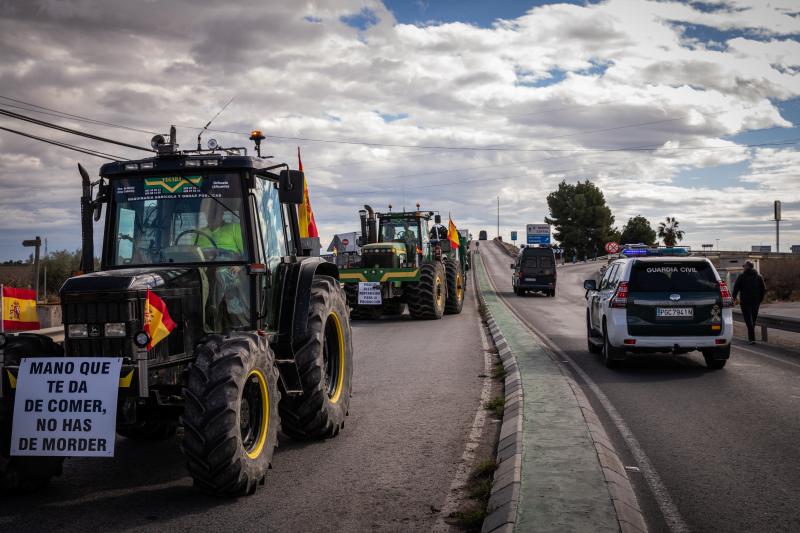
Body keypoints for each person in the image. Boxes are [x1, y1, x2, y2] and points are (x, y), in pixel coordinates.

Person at [732, 261, 767, 344]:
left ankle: (751, 338)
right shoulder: (759, 277)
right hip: (755, 301)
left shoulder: (741, 276)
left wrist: (733, 299)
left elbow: (736, 289)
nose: (743, 267)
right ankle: (751, 337)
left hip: (745, 301)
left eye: (744, 265)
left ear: (747, 267)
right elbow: (763, 289)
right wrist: (760, 300)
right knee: (753, 320)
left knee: (748, 320)